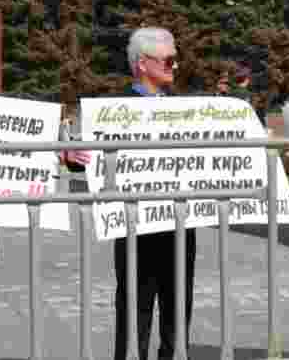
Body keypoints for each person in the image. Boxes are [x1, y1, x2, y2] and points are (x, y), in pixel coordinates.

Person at [114, 27, 196, 360]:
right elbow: (87, 157)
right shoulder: (114, 108)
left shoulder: (185, 108)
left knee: (178, 316)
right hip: (137, 230)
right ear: (143, 63)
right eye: (169, 60)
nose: (175, 66)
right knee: (135, 314)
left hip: (179, 228)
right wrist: (74, 157)